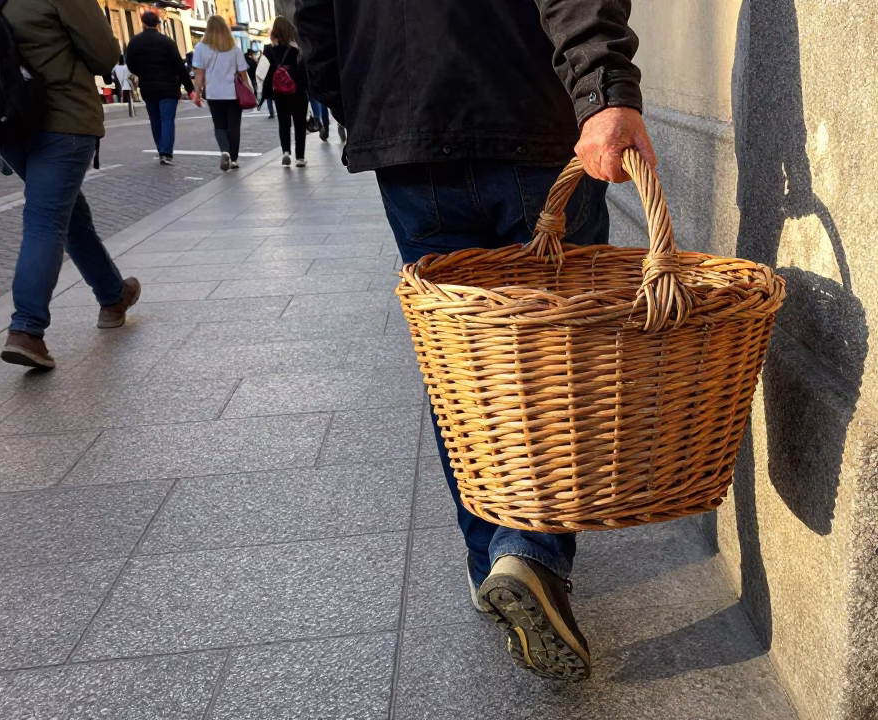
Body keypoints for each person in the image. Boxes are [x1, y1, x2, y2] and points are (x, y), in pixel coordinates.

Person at [297, 0, 654, 682]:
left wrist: (359, 99)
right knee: (558, 354)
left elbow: (312, 12)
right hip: (527, 102)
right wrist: (604, 86)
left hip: (404, 117)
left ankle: (490, 555)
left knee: (460, 366)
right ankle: (528, 552)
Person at [0, 0, 141, 369]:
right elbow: (103, 54)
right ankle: (27, 329)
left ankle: (113, 297)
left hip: (9, 124)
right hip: (62, 118)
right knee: (46, 219)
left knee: (70, 214)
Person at [126, 11, 199, 165]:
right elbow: (179, 66)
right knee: (167, 119)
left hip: (148, 86)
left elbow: (131, 65)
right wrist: (189, 88)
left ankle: (161, 149)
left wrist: (143, 73)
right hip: (168, 86)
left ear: (143, 23)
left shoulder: (134, 42)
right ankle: (166, 152)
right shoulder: (167, 42)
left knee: (154, 119)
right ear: (157, 24)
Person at [192, 15, 250, 172]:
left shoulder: (200, 48)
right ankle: (235, 159)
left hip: (214, 93)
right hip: (233, 93)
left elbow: (199, 73)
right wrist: (249, 89)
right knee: (234, 127)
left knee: (220, 126)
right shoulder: (234, 48)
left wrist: (197, 94)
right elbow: (243, 72)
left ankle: (225, 151)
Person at [261, 18, 308, 167]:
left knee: (283, 122)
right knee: (299, 123)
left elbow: (263, 73)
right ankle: (300, 157)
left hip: (279, 92)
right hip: (297, 90)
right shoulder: (296, 50)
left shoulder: (268, 50)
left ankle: (286, 152)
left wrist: (264, 93)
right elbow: (303, 71)